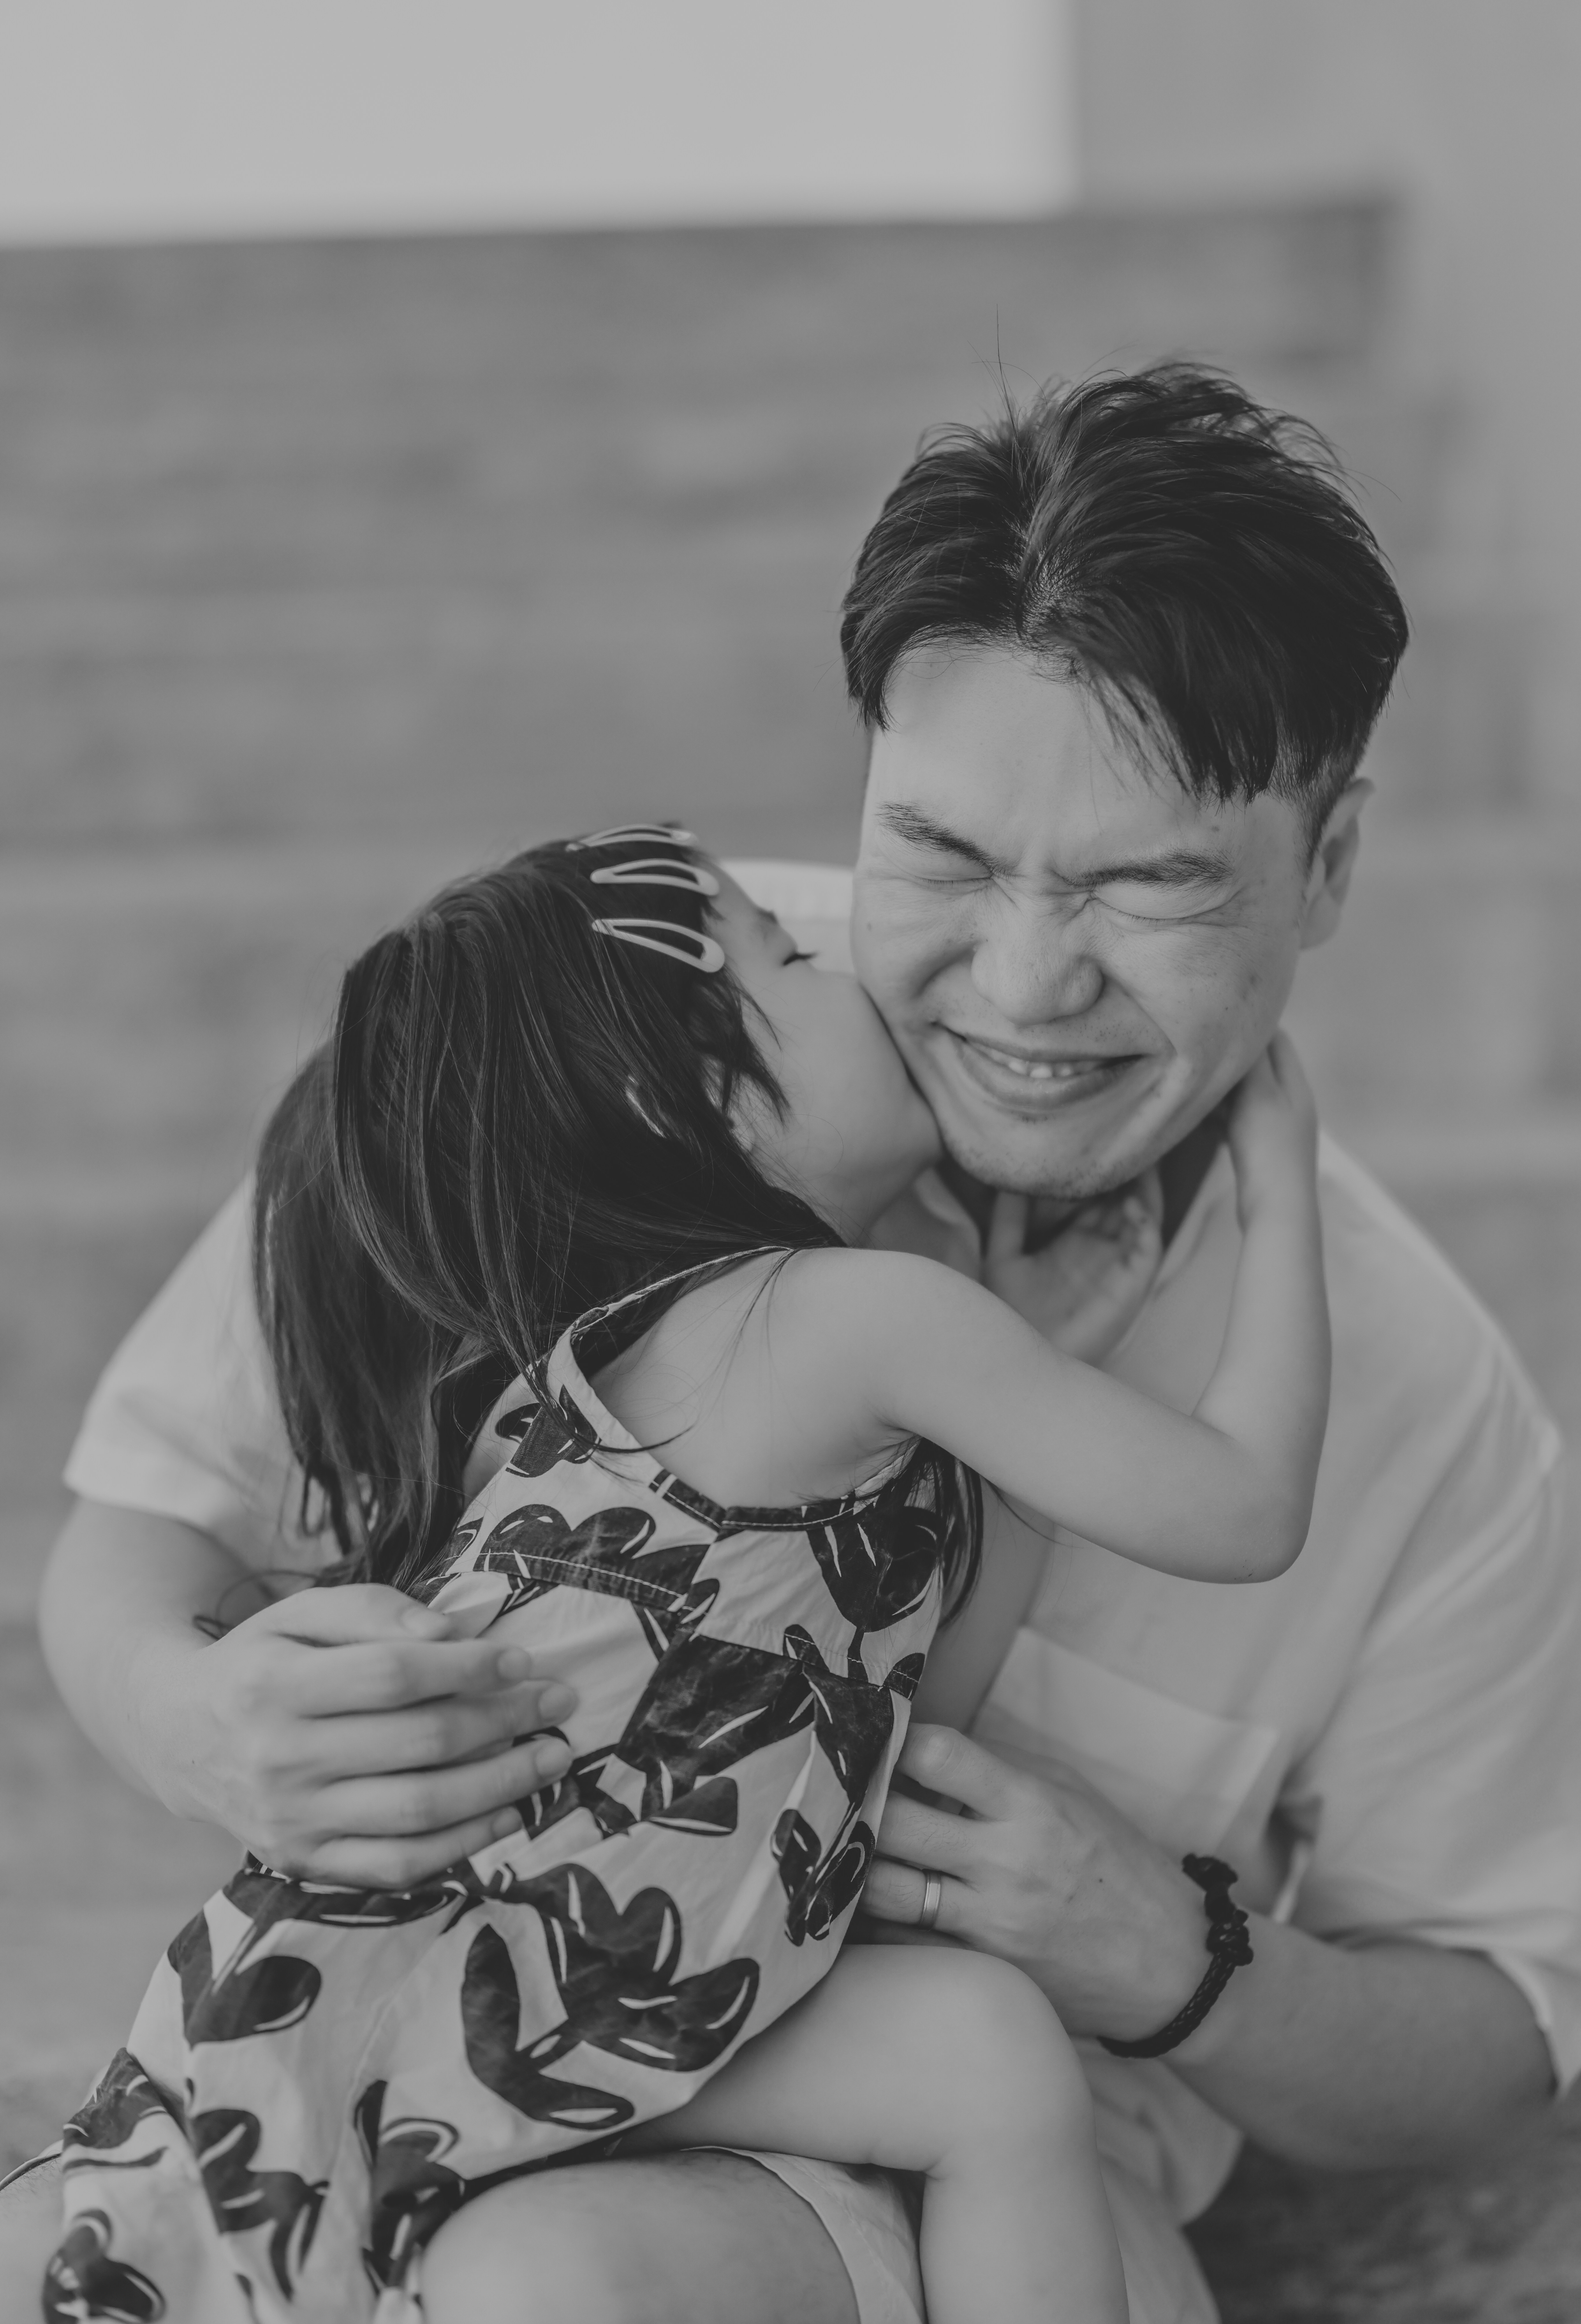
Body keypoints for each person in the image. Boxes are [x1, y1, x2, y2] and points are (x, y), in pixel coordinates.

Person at [10, 365, 1580, 2324]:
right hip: (489, 1996)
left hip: (923, 2167)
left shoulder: (1419, 1401)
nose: (1020, 981)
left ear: (1325, 870)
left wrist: (1166, 1951)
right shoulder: (606, 1061)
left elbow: (1504, 2042)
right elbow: (133, 1540)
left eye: (1145, 883)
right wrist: (204, 1721)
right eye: (938, 854)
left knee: (548, 2277)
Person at [41, 829, 1328, 2323]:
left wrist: (1019, 1414)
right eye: (787, 965)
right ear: (691, 1099)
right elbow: (1241, 1509)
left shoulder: (576, 1380)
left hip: (440, 1999)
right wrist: (1276, 1189)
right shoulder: (860, 1320)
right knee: (984, 2055)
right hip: (513, 2003)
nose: (838, 966)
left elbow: (881, 1732)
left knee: (974, 2047)